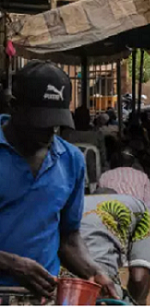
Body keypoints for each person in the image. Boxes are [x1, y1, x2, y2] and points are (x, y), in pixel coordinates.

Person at [0, 61, 116, 301]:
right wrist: (10, 263)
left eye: (56, 122)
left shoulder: (71, 160)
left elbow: (69, 238)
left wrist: (93, 271)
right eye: (41, 121)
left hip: (43, 297)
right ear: (14, 107)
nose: (49, 131)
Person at [82, 189, 150, 304]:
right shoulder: (138, 209)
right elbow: (139, 278)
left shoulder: (72, 206)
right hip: (102, 294)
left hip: (59, 290)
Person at [98, 147, 150, 218]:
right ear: (133, 162)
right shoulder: (142, 176)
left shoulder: (104, 177)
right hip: (137, 221)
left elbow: (98, 204)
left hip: (112, 221)